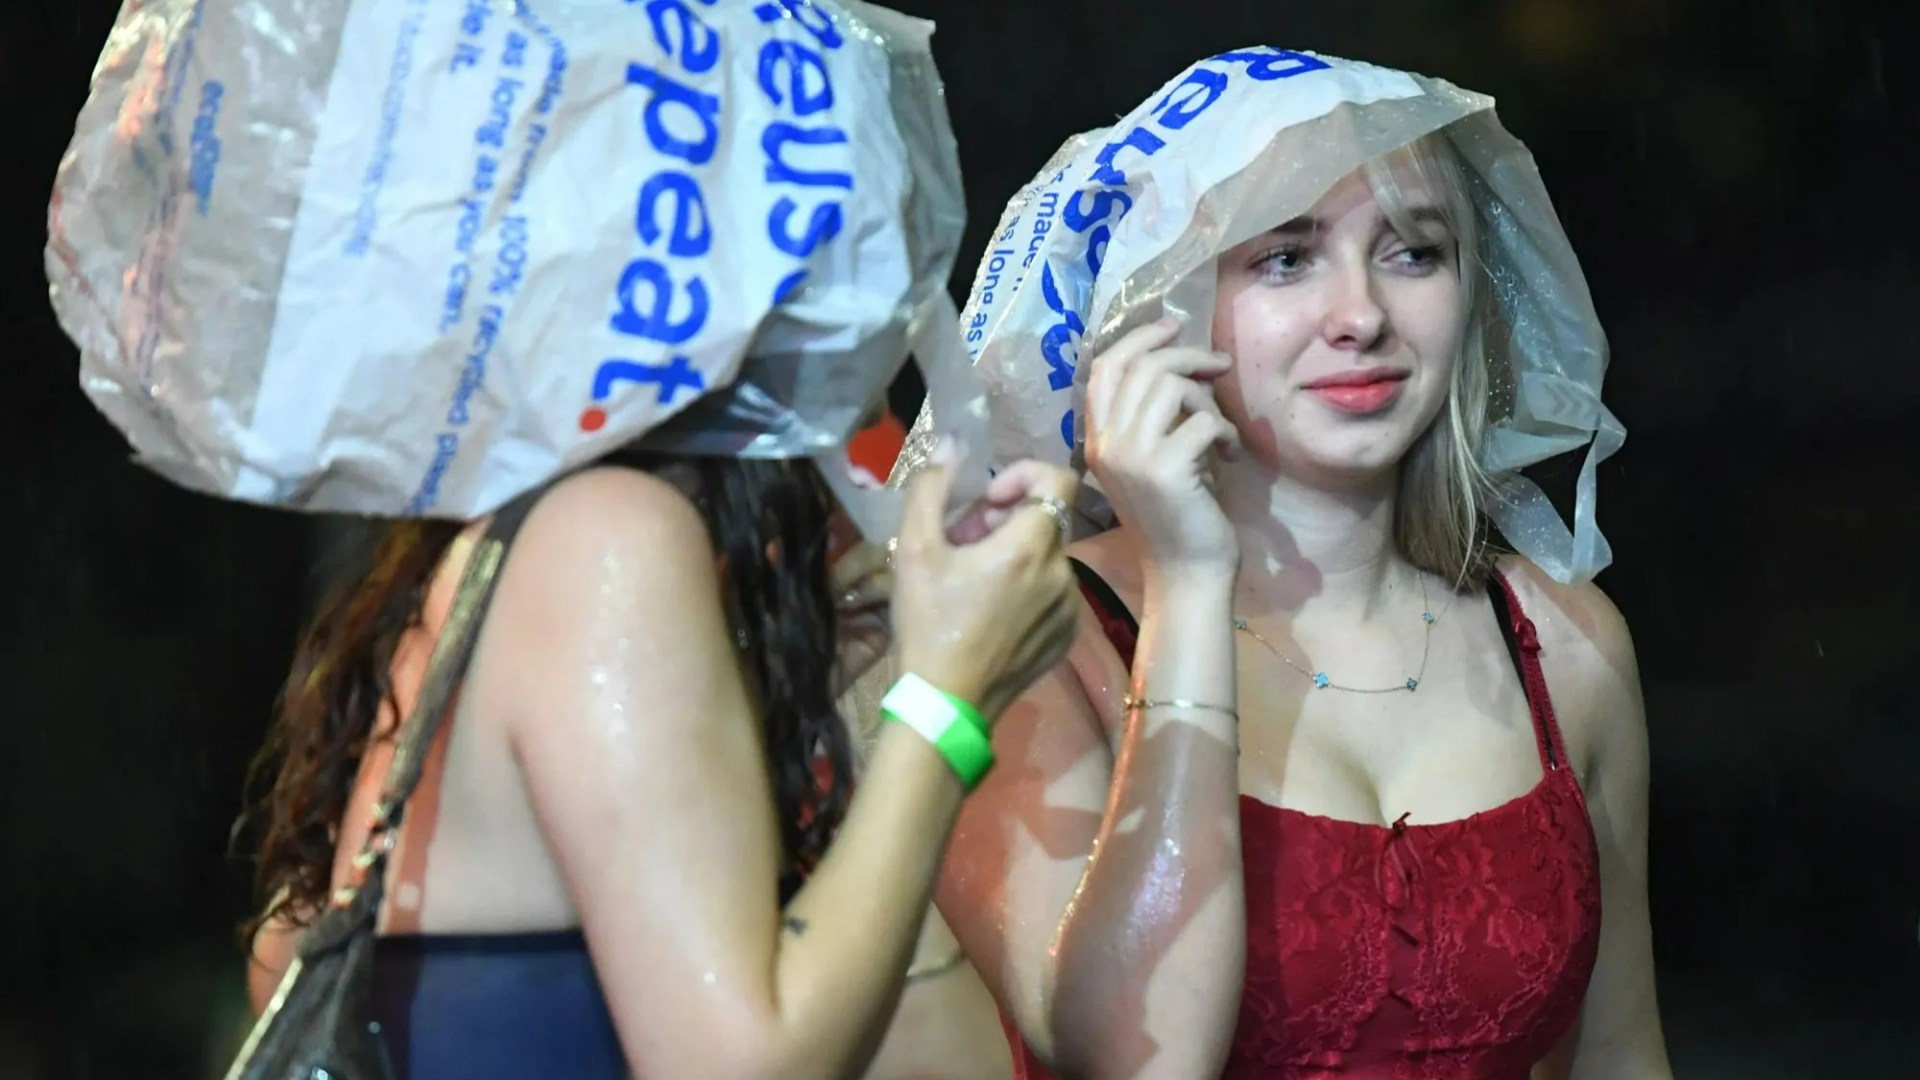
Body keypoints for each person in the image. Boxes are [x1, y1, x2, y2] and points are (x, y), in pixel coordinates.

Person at [902, 51, 1676, 1079]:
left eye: (1414, 252)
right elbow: (1129, 1057)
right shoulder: (1035, 636)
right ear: (1167, 309)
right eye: (1285, 258)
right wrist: (1184, 581)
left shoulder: (1569, 645)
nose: (1360, 315)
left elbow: (1622, 1060)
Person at [239, 443, 1079, 1079]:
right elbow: (742, 1063)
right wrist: (948, 696)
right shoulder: (606, 538)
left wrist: (774, 694)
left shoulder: (504, 541)